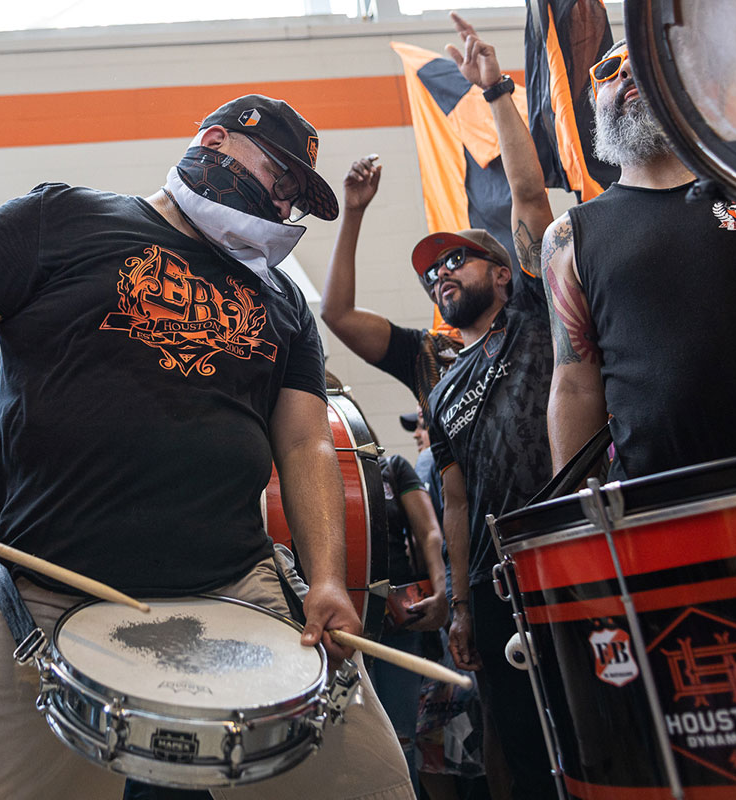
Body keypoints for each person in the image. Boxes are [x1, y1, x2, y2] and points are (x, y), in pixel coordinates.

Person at [0, 94, 415, 800]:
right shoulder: (61, 218)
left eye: (295, 196)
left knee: (369, 788)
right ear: (216, 141)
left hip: (236, 588)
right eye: (278, 176)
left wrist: (323, 579)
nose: (284, 204)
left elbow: (306, 441)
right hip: (40, 589)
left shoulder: (280, 298)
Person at [322, 16, 560, 799]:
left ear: (499, 266)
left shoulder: (536, 314)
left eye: (457, 259)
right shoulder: (438, 366)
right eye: (431, 274)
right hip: (493, 583)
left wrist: (495, 91)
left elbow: (529, 197)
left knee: (589, 723)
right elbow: (452, 496)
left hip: (564, 549)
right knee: (510, 744)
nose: (441, 276)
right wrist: (457, 597)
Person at [542, 40, 736, 479]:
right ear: (594, 105)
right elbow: (574, 385)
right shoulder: (568, 238)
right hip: (658, 508)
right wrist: (575, 517)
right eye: (608, 69)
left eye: (639, 59)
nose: (625, 72)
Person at [369, 451, 446, 796]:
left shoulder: (392, 467)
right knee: (357, 746)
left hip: (396, 622)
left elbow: (430, 531)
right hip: (343, 624)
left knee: (402, 740)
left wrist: (443, 590)